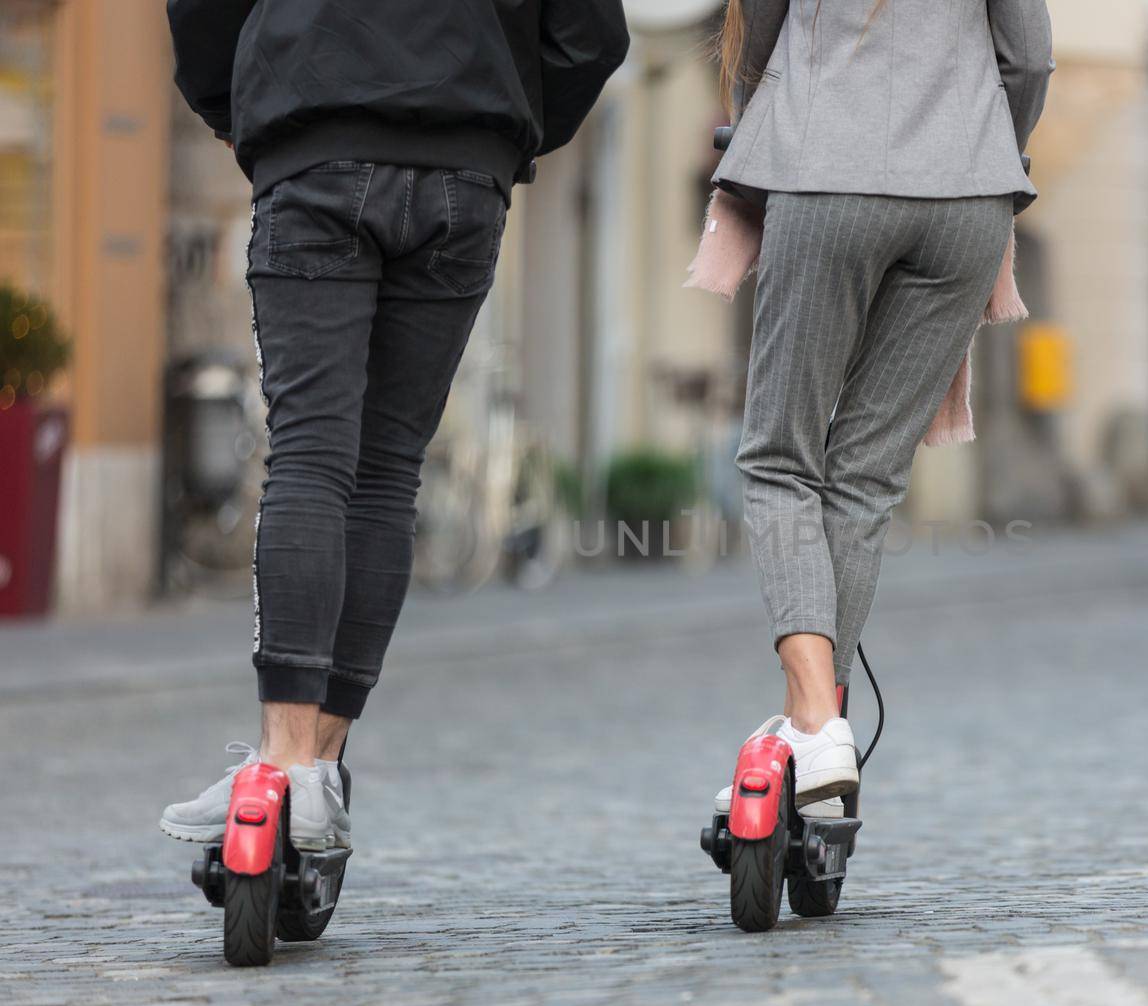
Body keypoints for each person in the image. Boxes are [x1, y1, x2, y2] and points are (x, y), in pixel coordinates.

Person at [159, 0, 629, 851]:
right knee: (384, 473)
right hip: (467, 160)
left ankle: (287, 762)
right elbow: (592, 32)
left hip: (315, 133)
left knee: (308, 455)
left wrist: (238, 109)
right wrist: (503, 129)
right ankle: (321, 766)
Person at [700, 0, 1053, 812]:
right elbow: (1028, 61)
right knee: (862, 478)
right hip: (969, 199)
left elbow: (754, 41)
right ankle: (814, 735)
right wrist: (994, 148)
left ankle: (818, 720)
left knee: (780, 459)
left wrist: (756, 129)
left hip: (824, 175)